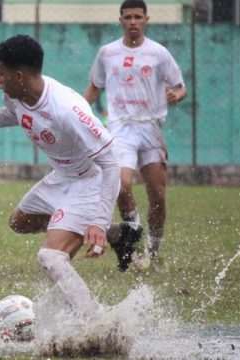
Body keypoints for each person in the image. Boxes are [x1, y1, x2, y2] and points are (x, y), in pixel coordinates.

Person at [0, 35, 120, 323]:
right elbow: (10, 114)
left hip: (90, 180)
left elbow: (111, 164)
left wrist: (99, 221)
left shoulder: (68, 109)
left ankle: (96, 321)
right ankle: (99, 229)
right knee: (19, 222)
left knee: (50, 258)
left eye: (0, 71)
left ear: (20, 75)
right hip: (62, 176)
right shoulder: (16, 93)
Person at [83, 0, 187, 272]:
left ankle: (154, 252)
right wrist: (78, 114)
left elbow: (180, 86)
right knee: (122, 184)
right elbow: (94, 87)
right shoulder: (107, 53)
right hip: (120, 127)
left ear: (146, 20)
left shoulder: (158, 53)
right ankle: (134, 235)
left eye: (137, 17)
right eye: (127, 17)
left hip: (151, 127)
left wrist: (176, 94)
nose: (132, 22)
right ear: (120, 21)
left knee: (158, 195)